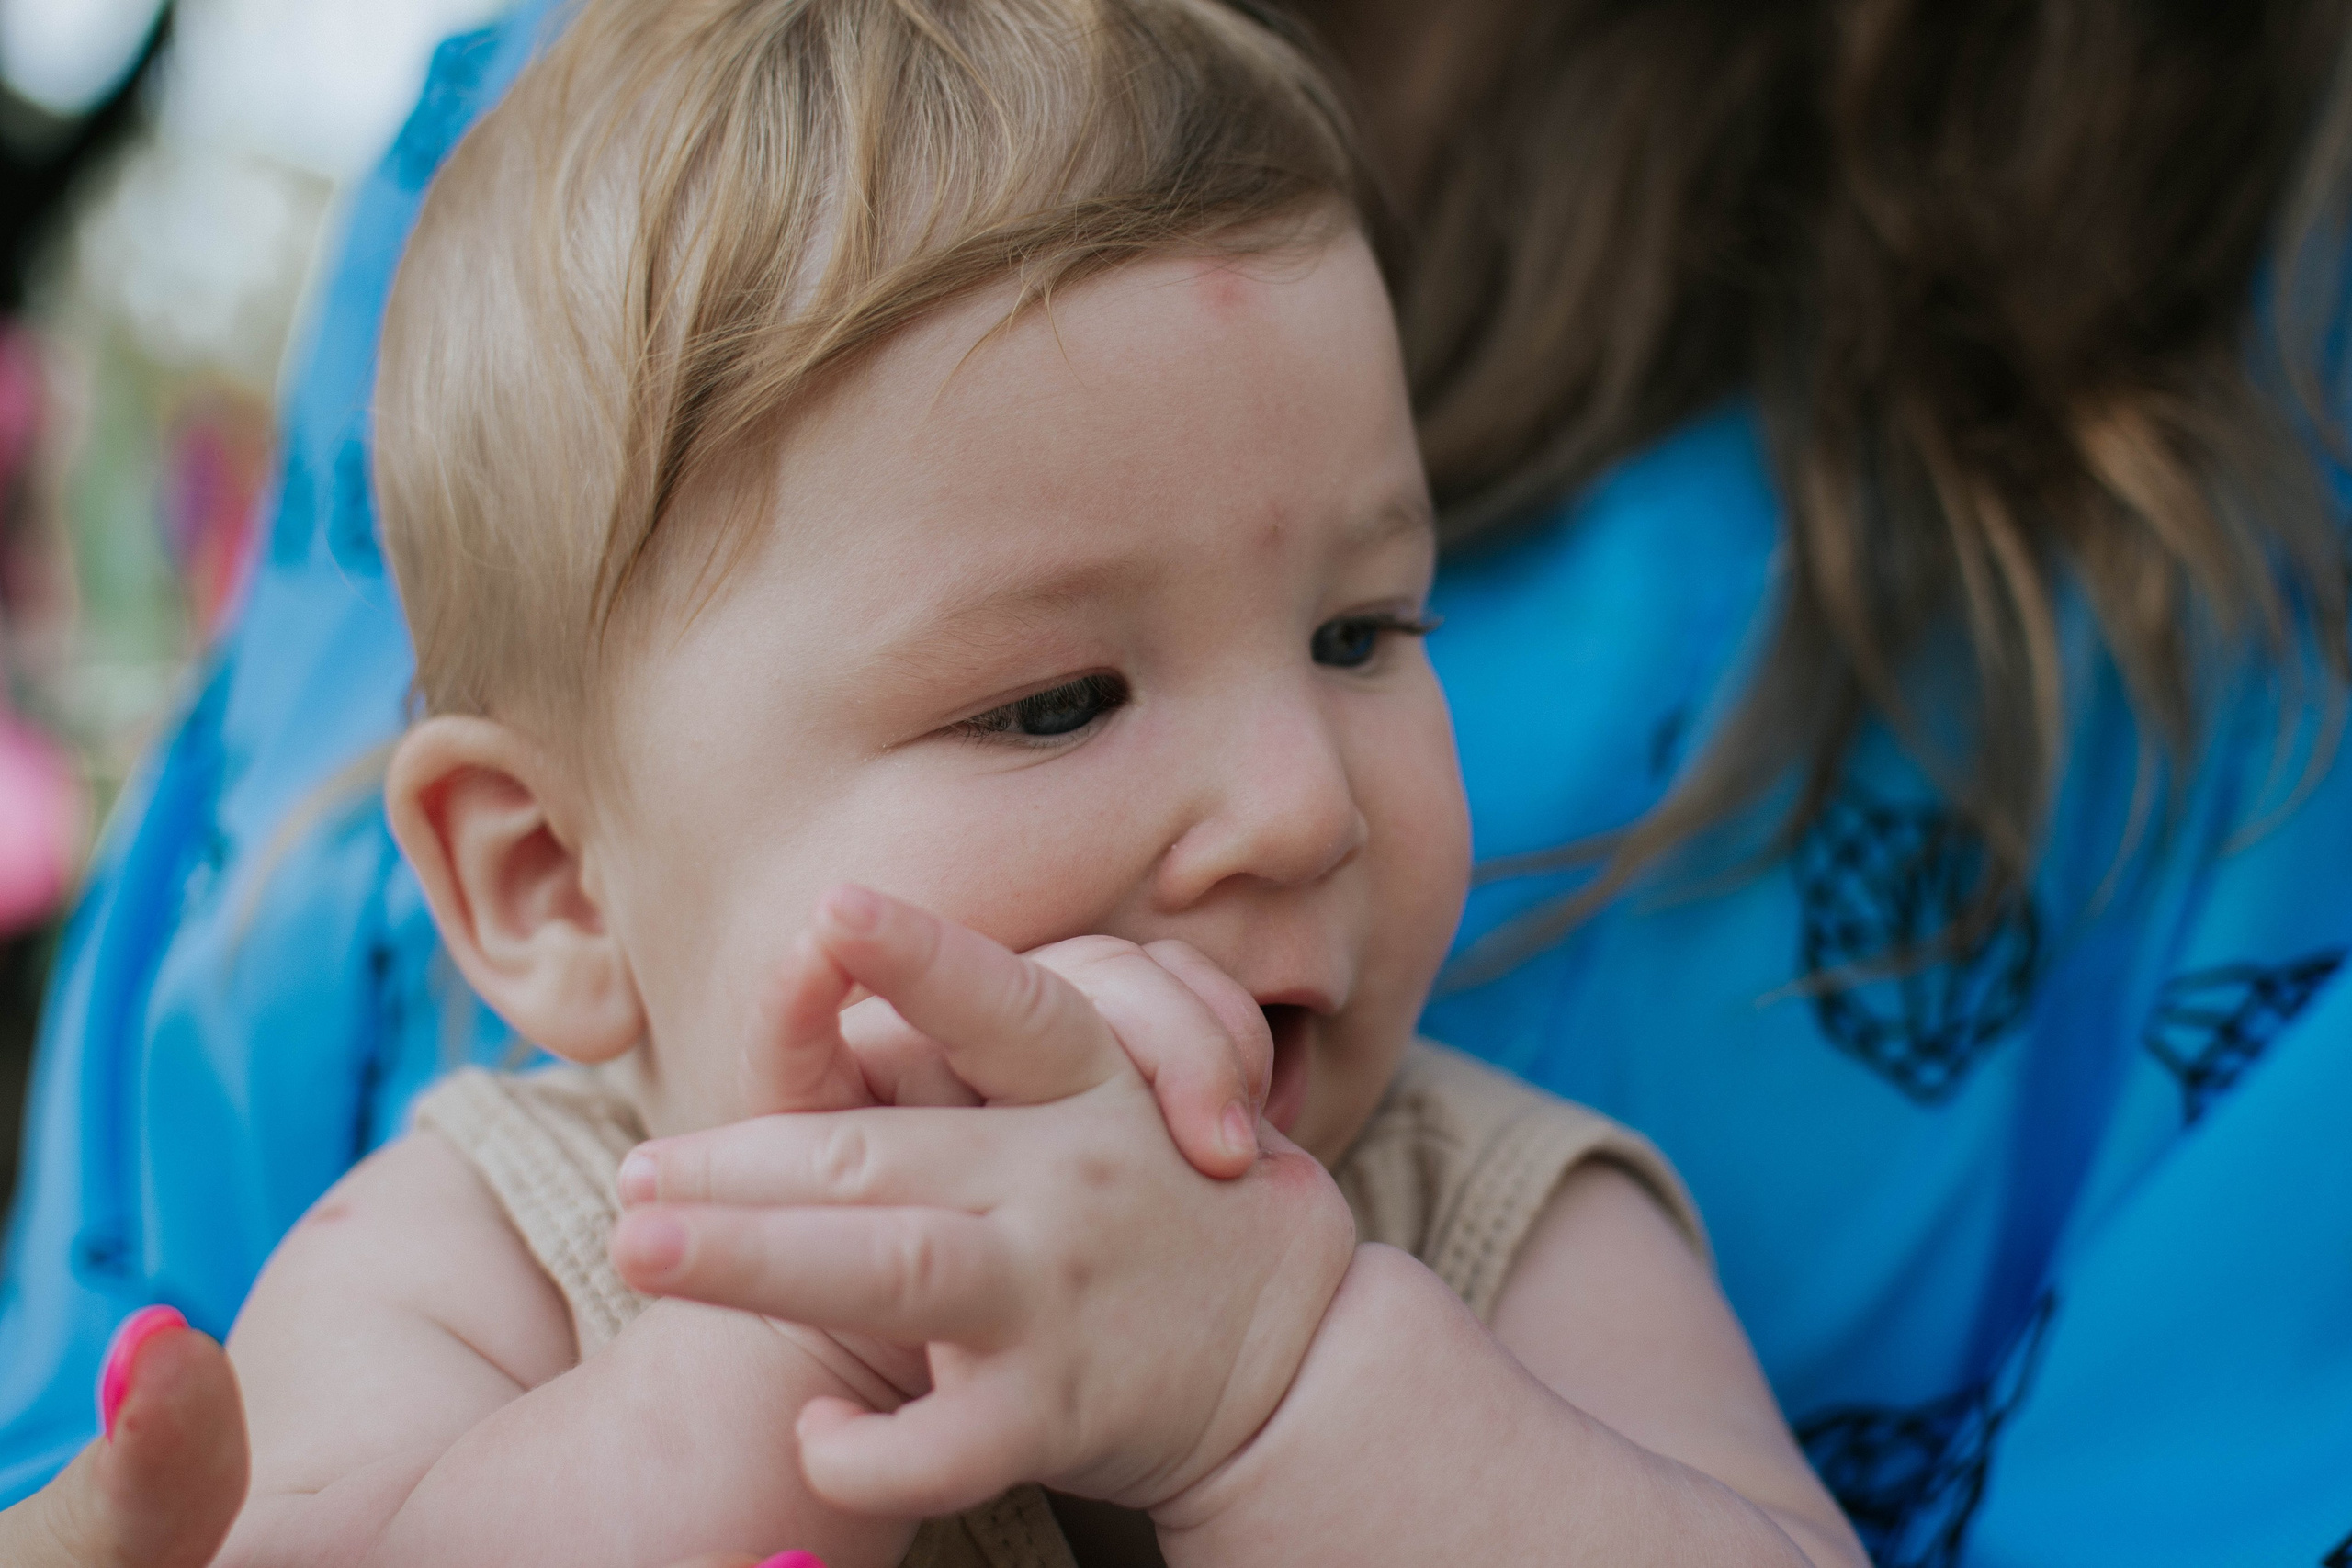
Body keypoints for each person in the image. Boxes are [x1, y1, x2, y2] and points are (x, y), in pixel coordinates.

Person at [6, 1, 2352, 1563]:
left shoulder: (1485, 1220)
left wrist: (1288, 1381)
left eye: (1360, 635)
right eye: (1051, 702)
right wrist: (804, 1330)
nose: (1299, 807)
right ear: (549, 883)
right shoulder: (483, 1239)